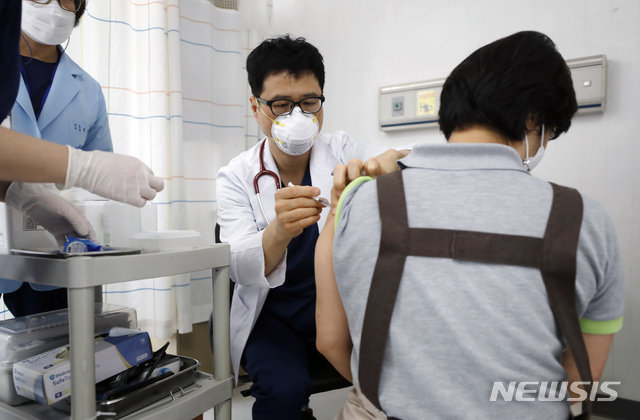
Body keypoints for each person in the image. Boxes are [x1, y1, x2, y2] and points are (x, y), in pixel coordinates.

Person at [315, 31, 624, 419]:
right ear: (534, 119)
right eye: (548, 132)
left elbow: (329, 340)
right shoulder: (585, 219)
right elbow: (580, 381)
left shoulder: (358, 201)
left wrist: (396, 392)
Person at [216, 34, 406, 419]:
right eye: (282, 105)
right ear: (256, 108)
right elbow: (237, 268)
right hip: (273, 316)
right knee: (283, 393)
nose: (298, 117)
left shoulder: (341, 149)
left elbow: (414, 159)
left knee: (401, 370)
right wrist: (278, 231)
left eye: (309, 103)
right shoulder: (235, 177)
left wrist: (391, 163)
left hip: (338, 306)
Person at [0, 2, 164, 247]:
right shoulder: (7, 68)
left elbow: (101, 185)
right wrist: (82, 167)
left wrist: (21, 194)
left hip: (64, 244)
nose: (54, 5)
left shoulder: (88, 90)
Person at [0, 0, 114, 317]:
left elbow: (101, 176)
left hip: (60, 254)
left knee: (62, 356)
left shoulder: (87, 90)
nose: (54, 7)